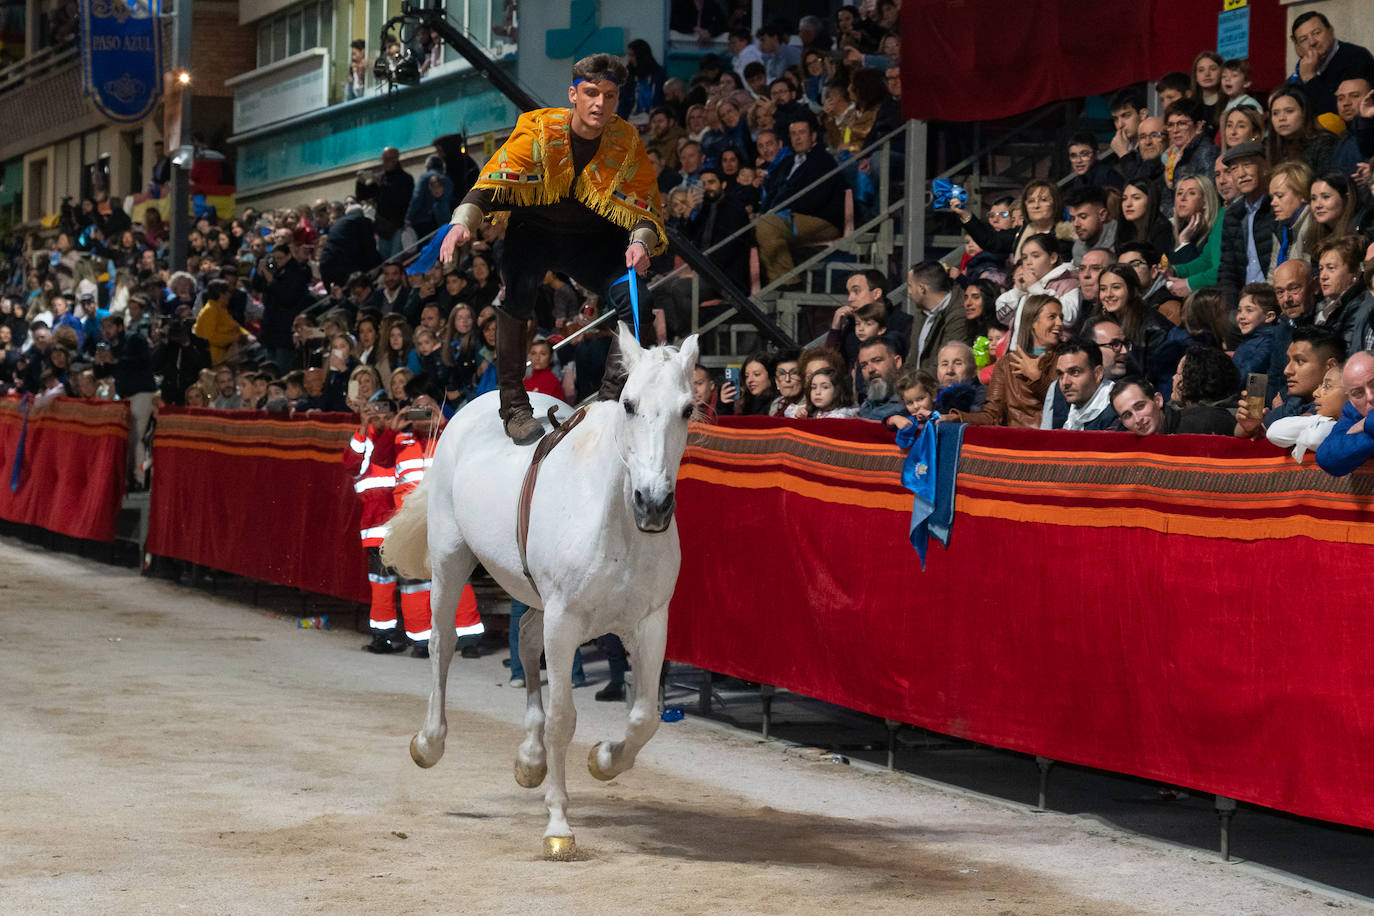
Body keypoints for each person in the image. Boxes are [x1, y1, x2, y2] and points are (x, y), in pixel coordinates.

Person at [439, 54, 666, 445]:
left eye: (610, 95)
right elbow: (493, 183)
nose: (599, 103)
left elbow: (647, 210)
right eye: (591, 93)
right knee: (519, 295)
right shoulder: (541, 130)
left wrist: (640, 243)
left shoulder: (625, 141)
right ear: (573, 95)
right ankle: (513, 405)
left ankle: (610, 405)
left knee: (638, 301)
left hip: (594, 243)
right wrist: (463, 222)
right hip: (535, 234)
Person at [392, 376, 485, 658]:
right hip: (410, 522)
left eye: (428, 407)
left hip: (445, 519)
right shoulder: (399, 438)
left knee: (457, 578)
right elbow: (381, 459)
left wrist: (441, 423)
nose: (421, 413)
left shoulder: (449, 436)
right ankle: (421, 640)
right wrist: (392, 429)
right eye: (416, 407)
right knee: (413, 582)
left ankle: (468, 638)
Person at [343, 394, 405, 653]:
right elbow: (350, 464)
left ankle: (421, 638)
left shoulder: (402, 436)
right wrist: (361, 427)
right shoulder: (363, 437)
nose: (380, 417)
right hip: (377, 527)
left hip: (405, 523)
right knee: (382, 584)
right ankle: (383, 636)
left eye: (385, 413)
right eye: (375, 412)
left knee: (417, 585)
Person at [945, 294, 1063, 428]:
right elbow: (992, 416)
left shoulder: (1065, 360)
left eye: (1061, 317)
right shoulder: (1006, 364)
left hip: (1052, 442)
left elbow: (1066, 405)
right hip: (1016, 443)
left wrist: (1038, 379)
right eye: (1052, 317)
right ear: (1032, 322)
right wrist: (959, 418)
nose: (1060, 323)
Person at [753, 118, 844, 286]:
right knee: (759, 225)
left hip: (820, 218)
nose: (797, 138)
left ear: (813, 136)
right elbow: (773, 191)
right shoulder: (787, 163)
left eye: (802, 133)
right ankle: (778, 284)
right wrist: (763, 212)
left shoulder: (824, 160)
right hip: (787, 216)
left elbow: (817, 198)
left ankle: (790, 283)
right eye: (793, 134)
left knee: (767, 225)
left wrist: (783, 211)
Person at [1215, 141, 1274, 307]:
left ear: (1264, 167)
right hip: (1243, 304)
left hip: (1272, 301)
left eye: (1247, 165)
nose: (1241, 174)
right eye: (1233, 169)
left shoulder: (1276, 207)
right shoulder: (1233, 215)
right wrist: (1231, 310)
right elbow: (1228, 270)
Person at [1288, 11, 1374, 118]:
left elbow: (1340, 112)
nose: (1312, 42)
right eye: (1304, 39)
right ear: (1298, 46)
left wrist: (1310, 78)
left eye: (1316, 33)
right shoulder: (1302, 68)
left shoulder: (1355, 57)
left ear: (1331, 32)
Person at [1313, 234, 1374, 357]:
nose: (1323, 276)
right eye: (1321, 269)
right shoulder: (1331, 307)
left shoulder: (1359, 306)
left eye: (1331, 268)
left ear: (1355, 271)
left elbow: (1346, 355)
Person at [1110, 377, 1234, 436]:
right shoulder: (1128, 448)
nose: (1137, 419)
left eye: (1140, 406)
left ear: (1158, 400)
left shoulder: (1207, 421)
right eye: (1127, 415)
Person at [1315, 350, 1374, 475]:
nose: (1370, 397)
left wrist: (1366, 424)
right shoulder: (1352, 411)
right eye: (1358, 393)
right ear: (1350, 399)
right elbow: (1327, 457)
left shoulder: (1364, 420)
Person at [1167, 173, 1225, 296]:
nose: (1182, 198)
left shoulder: (1215, 229)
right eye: (1179, 193)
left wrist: (1184, 242)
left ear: (1205, 201)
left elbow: (1204, 270)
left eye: (1191, 193)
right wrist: (1172, 271)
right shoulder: (1173, 230)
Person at [905, 261, 967, 374]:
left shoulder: (959, 315)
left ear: (921, 289)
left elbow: (943, 366)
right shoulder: (921, 310)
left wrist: (914, 384)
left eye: (910, 286)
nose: (909, 292)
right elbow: (911, 360)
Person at [1041, 338, 1117, 430]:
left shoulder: (1119, 409)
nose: (1065, 382)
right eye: (1060, 374)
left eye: (1075, 372)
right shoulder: (1058, 395)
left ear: (1098, 373)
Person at [1266, 86, 1339, 177]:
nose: (1281, 118)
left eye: (1289, 111)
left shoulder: (1324, 143)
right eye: (1275, 113)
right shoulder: (1270, 146)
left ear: (1304, 113)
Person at [355, 146, 414, 258]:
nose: (385, 163)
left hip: (398, 227)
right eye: (383, 159)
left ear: (395, 159)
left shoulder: (406, 178)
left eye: (388, 159)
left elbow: (401, 200)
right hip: (383, 229)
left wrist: (382, 186)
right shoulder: (381, 177)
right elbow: (362, 196)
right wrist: (360, 183)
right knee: (384, 261)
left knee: (395, 260)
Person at [191, 278, 252, 364]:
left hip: (225, 356)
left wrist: (246, 335)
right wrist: (233, 338)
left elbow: (234, 326)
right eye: (228, 292)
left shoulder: (221, 309)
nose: (230, 295)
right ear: (221, 294)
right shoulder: (210, 310)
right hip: (214, 359)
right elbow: (209, 338)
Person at [854, 337, 905, 422]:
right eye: (864, 365)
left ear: (897, 362)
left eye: (877, 360)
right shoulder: (866, 404)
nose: (870, 369)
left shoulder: (911, 406)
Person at [1065, 186, 1118, 264]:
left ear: (1102, 215)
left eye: (1083, 217)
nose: (1076, 224)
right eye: (1073, 218)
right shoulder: (1078, 248)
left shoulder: (1121, 238)